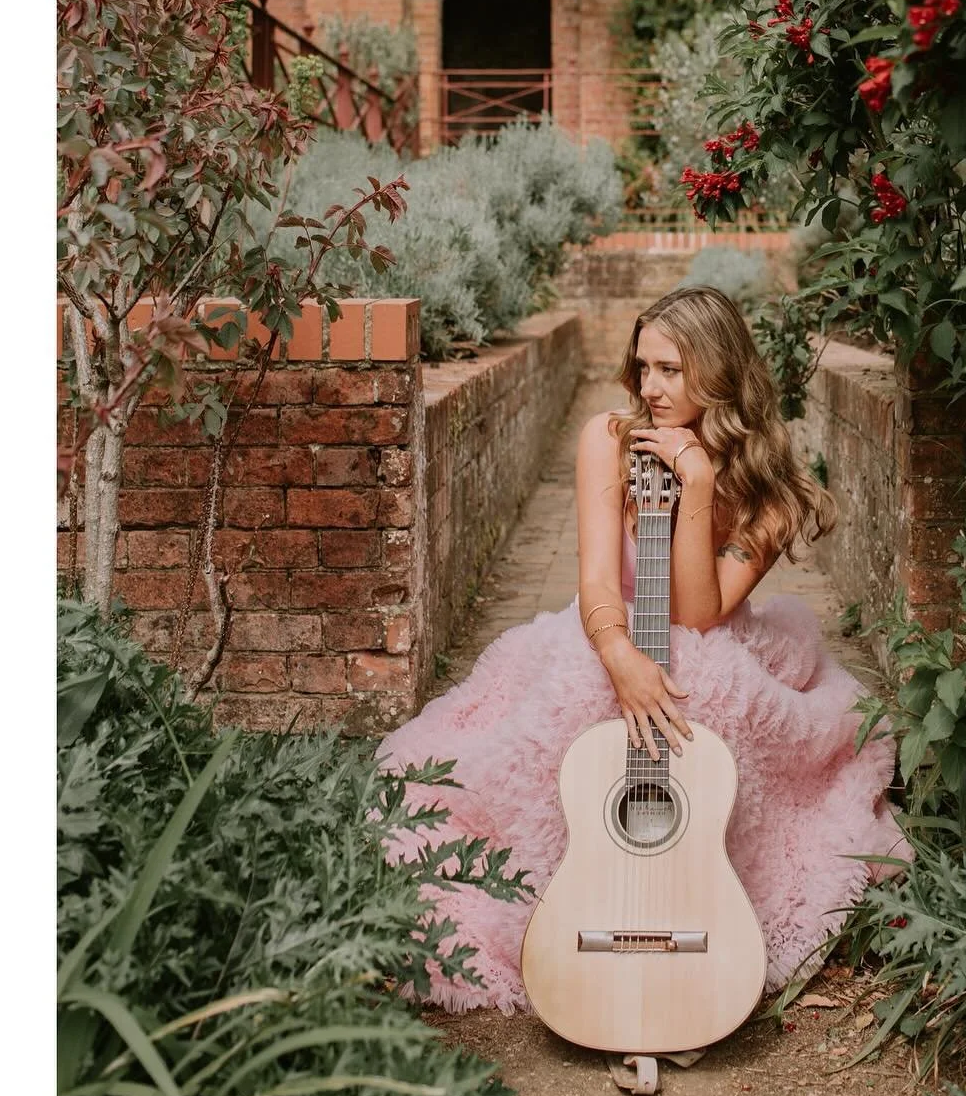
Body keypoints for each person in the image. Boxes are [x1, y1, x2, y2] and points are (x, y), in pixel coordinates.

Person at [376, 285, 906, 1013]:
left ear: (718, 374)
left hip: (713, 645)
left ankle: (699, 888)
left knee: (703, 684)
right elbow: (596, 577)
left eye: (671, 371)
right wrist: (619, 655)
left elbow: (698, 612)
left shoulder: (772, 492)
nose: (650, 389)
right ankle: (562, 895)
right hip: (606, 629)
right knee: (586, 697)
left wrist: (697, 481)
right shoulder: (608, 439)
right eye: (643, 367)